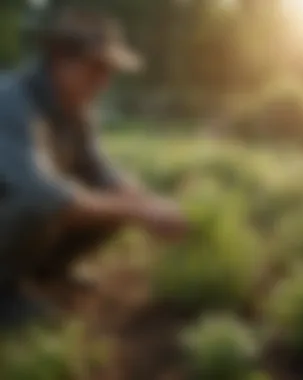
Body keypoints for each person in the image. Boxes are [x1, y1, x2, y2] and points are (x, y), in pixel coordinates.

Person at [0, 8, 188, 327]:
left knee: (110, 199)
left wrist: (148, 202)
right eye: (96, 68)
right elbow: (42, 195)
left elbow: (101, 171)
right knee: (39, 206)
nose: (104, 81)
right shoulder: (10, 101)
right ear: (60, 61)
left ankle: (45, 273)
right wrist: (137, 210)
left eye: (110, 71)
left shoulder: (74, 108)